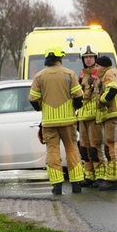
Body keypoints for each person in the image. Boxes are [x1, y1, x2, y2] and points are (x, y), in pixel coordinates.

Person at [29, 46, 85, 195]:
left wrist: (42, 108)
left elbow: (33, 99)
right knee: (72, 149)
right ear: (60, 59)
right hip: (68, 121)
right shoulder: (69, 74)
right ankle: (76, 184)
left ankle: (57, 185)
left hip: (49, 122)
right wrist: (74, 107)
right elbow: (79, 96)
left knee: (53, 152)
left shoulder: (39, 77)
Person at [94, 54, 117, 191]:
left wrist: (102, 100)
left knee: (113, 147)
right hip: (111, 116)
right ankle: (112, 177)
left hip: (114, 115)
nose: (95, 68)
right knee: (110, 147)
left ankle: (114, 180)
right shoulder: (106, 74)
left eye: (97, 65)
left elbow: (112, 88)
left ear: (103, 66)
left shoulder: (109, 73)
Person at [77, 46, 104, 190]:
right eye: (86, 57)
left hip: (94, 116)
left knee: (95, 146)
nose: (88, 59)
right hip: (82, 116)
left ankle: (99, 175)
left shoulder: (99, 75)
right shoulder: (81, 76)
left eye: (91, 57)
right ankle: (89, 175)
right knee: (84, 148)